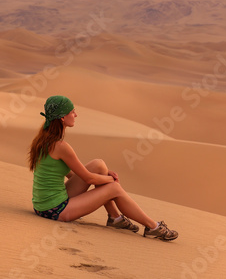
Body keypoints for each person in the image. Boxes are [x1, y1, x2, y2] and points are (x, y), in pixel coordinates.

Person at [28, 95, 178, 241]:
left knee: (98, 165)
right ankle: (153, 227)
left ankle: (115, 218)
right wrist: (110, 180)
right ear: (62, 118)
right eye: (72, 111)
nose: (76, 115)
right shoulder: (61, 147)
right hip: (54, 211)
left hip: (44, 206)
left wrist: (103, 176)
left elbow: (73, 175)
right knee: (115, 189)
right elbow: (88, 178)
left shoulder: (44, 140)